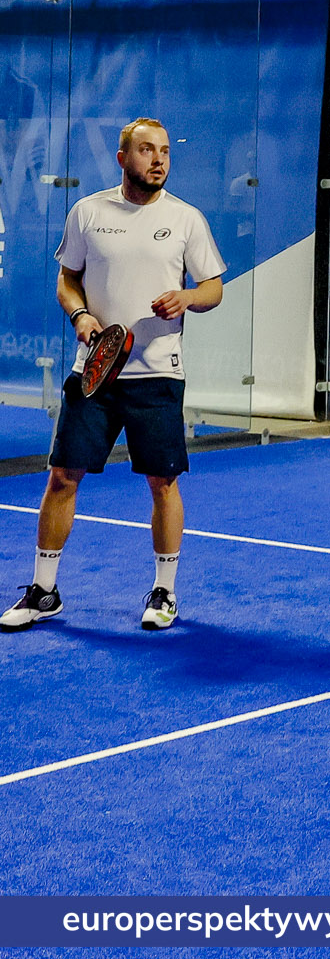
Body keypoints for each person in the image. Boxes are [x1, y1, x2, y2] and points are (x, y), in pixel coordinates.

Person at [1, 118, 226, 633]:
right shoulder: (88, 212)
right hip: (93, 376)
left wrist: (188, 297)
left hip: (157, 374)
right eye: (147, 150)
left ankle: (165, 594)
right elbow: (67, 279)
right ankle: (43, 590)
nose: (159, 160)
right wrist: (81, 317)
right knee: (62, 477)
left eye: (165, 151)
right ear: (123, 157)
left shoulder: (186, 219)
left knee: (162, 481)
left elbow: (213, 288)